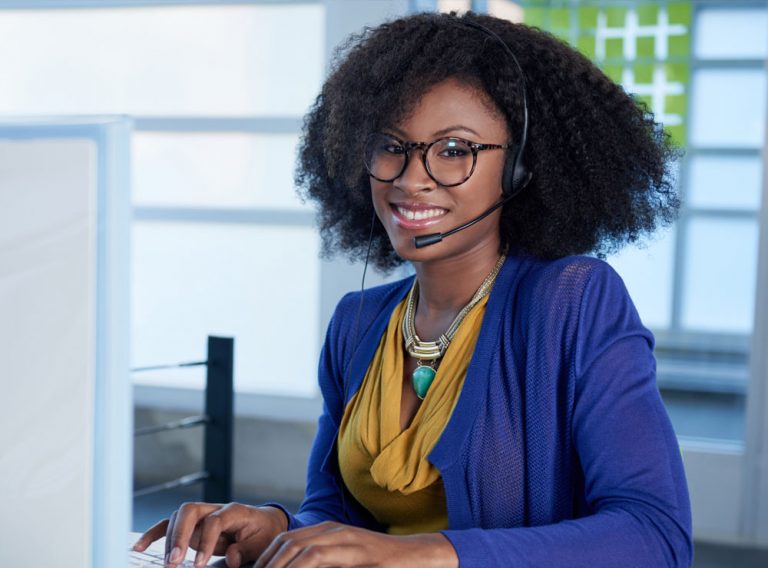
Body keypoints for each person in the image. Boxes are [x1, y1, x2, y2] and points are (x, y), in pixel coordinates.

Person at [134, 10, 692, 568]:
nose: (410, 178)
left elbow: (655, 537)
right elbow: (339, 517)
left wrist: (430, 553)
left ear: (520, 168)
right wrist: (276, 528)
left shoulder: (572, 302)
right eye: (391, 146)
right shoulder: (357, 323)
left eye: (454, 150)